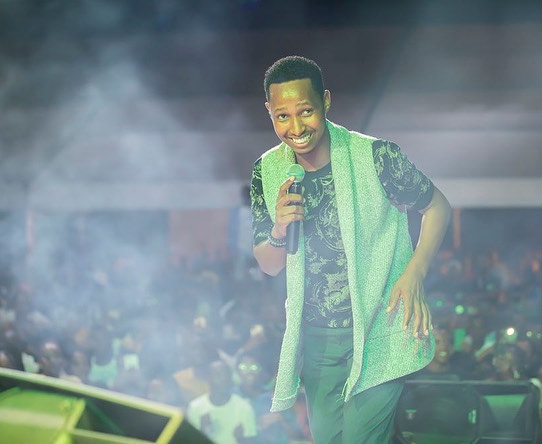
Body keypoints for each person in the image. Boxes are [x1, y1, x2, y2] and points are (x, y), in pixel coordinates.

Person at [251, 55, 451, 443]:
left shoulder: (376, 156)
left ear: (326, 101)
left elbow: (437, 206)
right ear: (269, 113)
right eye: (282, 116)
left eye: (305, 111)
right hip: (317, 339)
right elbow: (269, 264)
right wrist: (278, 228)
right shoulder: (268, 170)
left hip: (380, 325)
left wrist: (414, 272)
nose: (296, 128)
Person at [186, 360, 257, 444]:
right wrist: (203, 431)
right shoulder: (195, 407)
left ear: (230, 379)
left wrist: (240, 440)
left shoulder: (244, 408)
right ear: (208, 378)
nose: (223, 379)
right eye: (217, 375)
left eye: (226, 375)